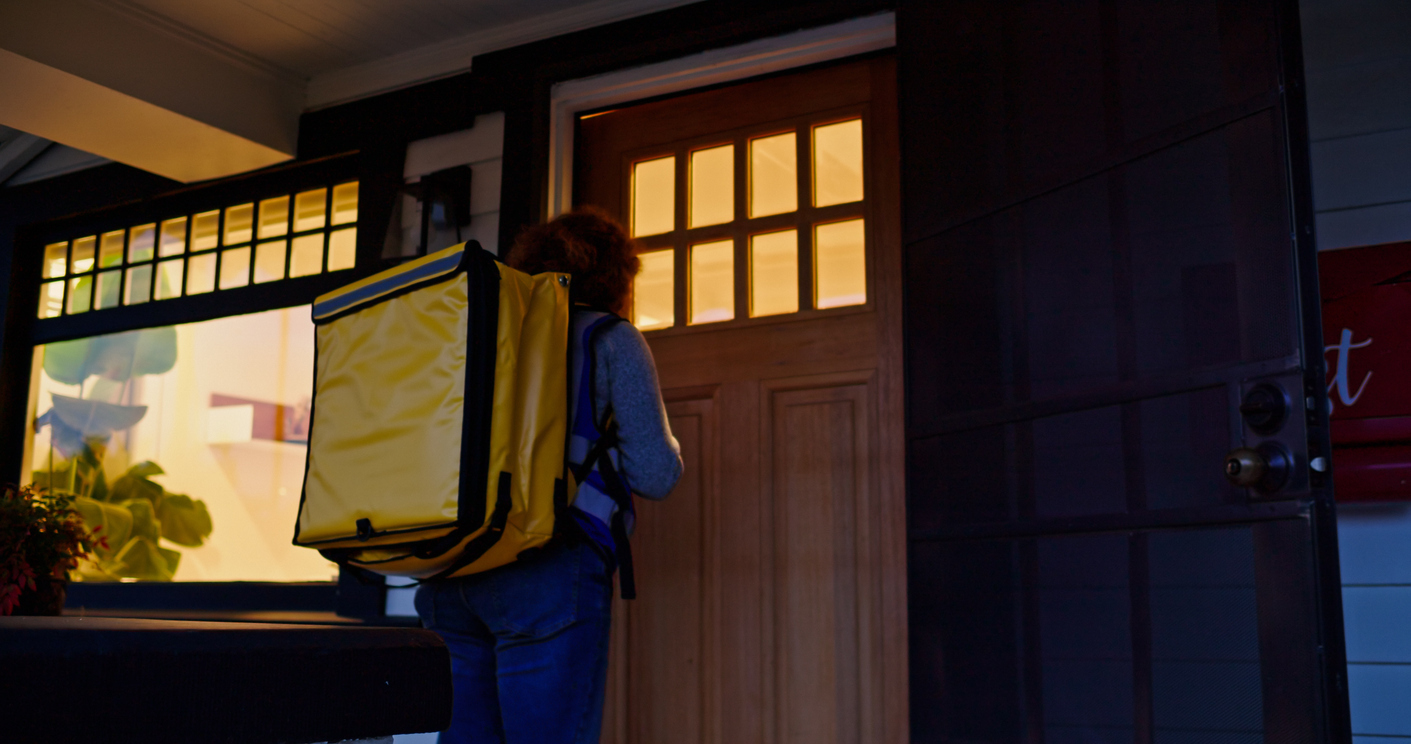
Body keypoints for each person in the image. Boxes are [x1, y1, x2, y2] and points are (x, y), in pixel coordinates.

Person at [414, 206, 684, 744]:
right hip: (547, 569)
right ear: (615, 278)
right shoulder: (608, 337)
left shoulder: (476, 337)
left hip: (450, 566)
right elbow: (656, 474)